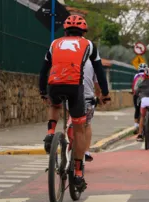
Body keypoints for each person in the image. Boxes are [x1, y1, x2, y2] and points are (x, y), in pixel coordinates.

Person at [39, 15, 110, 189]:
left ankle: (50, 132)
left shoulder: (54, 44)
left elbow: (43, 70)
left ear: (65, 31)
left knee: (54, 104)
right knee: (79, 128)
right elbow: (99, 72)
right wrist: (106, 93)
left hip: (54, 85)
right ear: (83, 32)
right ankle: (78, 173)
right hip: (74, 88)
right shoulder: (89, 45)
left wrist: (42, 91)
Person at [135, 67, 149, 142]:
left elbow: (137, 93)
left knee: (142, 117)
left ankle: (140, 134)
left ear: (144, 75)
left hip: (144, 101)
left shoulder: (141, 83)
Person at [131, 63, 148, 134]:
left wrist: (133, 92)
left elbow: (133, 86)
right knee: (145, 109)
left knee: (137, 110)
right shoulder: (147, 75)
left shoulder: (136, 75)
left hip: (136, 95)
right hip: (145, 95)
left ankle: (136, 126)